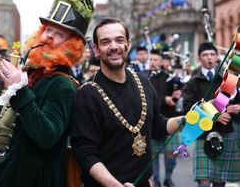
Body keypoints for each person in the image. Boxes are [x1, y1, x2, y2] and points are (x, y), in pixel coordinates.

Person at [0, 0, 94, 187]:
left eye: (59, 34)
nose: (49, 36)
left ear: (72, 45)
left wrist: (20, 90)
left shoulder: (63, 85)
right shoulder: (36, 74)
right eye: (48, 29)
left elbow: (46, 136)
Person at [70, 17, 184, 187]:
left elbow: (157, 125)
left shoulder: (143, 82)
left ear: (128, 45)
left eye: (119, 40)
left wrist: (186, 119)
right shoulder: (87, 94)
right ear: (96, 49)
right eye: (105, 42)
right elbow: (85, 153)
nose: (114, 46)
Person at [183, 42, 240, 187]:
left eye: (212, 54)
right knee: (203, 180)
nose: (209, 58)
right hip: (202, 133)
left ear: (216, 57)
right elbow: (189, 108)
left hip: (224, 133)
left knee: (219, 180)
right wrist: (215, 116)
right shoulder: (192, 83)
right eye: (205, 55)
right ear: (199, 58)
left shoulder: (227, 81)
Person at [148, 49, 181, 187]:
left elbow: (178, 92)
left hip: (169, 120)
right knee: (153, 157)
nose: (153, 62)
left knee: (171, 155)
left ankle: (168, 177)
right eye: (151, 59)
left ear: (161, 62)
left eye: (155, 60)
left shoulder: (169, 77)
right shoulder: (144, 78)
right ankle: (156, 180)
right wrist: (164, 98)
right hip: (152, 122)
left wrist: (179, 93)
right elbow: (149, 97)